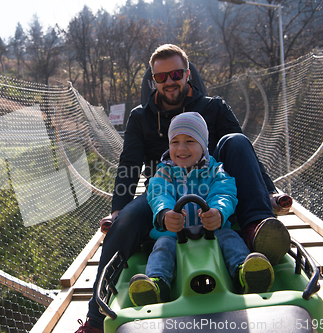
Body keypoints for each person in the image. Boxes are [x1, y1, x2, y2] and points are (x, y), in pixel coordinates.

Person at [75, 44, 290, 333]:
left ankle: (256, 227)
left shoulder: (213, 107)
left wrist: (270, 190)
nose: (169, 82)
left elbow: (244, 153)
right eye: (160, 77)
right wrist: (117, 211)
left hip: (214, 185)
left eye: (175, 74)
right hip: (164, 192)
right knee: (124, 222)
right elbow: (129, 166)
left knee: (236, 140)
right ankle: (97, 319)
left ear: (187, 74)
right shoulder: (141, 117)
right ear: (153, 80)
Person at [128, 112, 274, 307]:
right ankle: (156, 284)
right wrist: (165, 214)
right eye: (175, 142)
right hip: (175, 233)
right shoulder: (165, 170)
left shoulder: (215, 169)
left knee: (230, 238)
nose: (181, 148)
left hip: (212, 230)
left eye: (190, 141)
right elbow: (158, 192)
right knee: (162, 246)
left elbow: (225, 191)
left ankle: (244, 272)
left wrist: (218, 212)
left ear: (203, 145)